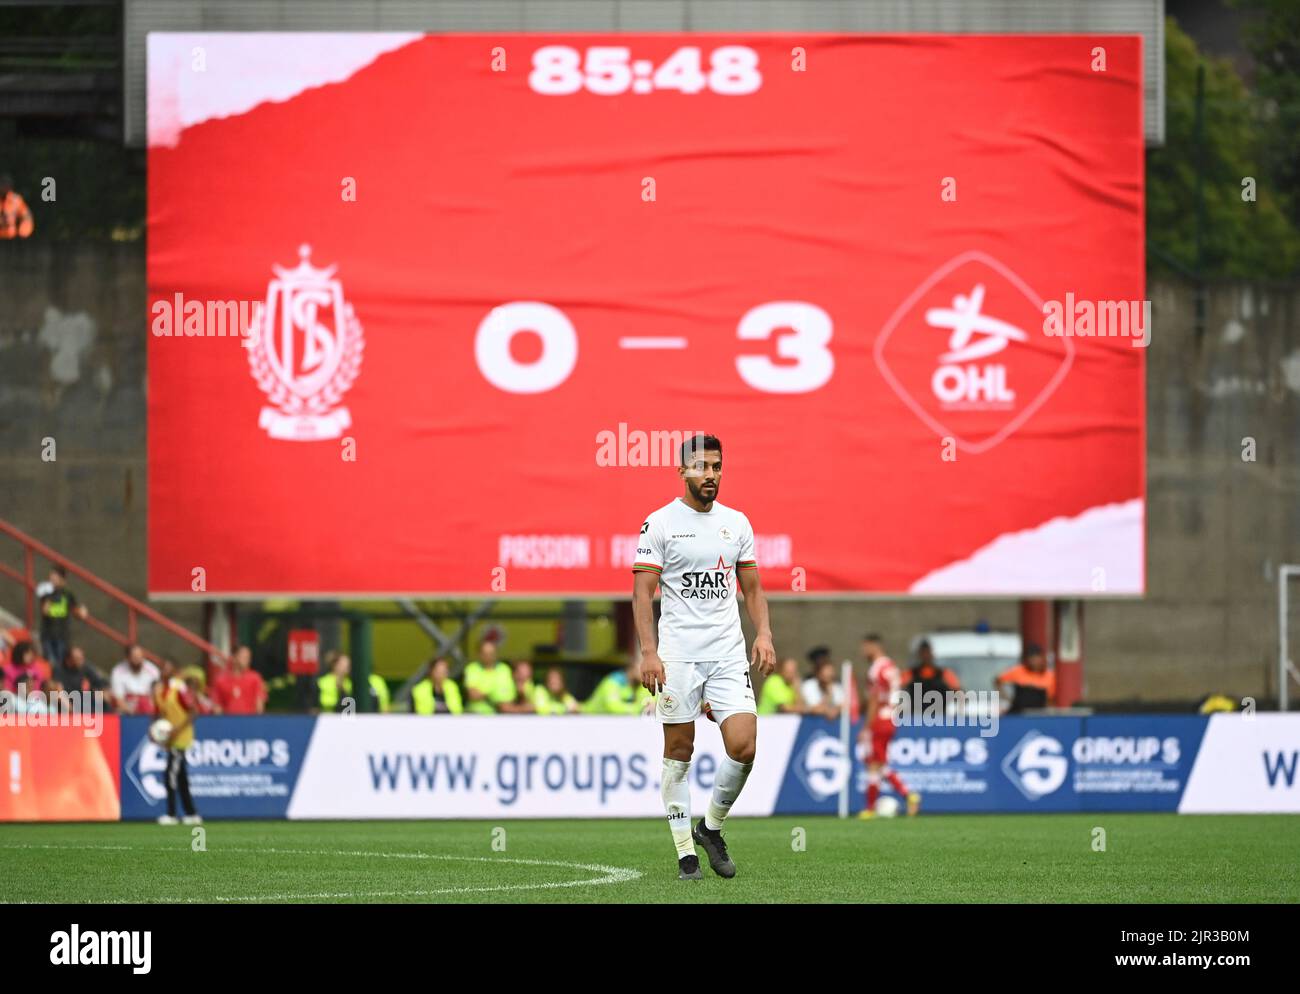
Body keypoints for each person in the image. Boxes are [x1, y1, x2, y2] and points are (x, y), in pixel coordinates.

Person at [634, 433, 775, 882]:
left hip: (728, 655)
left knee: (744, 745)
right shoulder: (659, 523)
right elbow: (642, 593)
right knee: (679, 751)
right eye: (701, 467)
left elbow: (751, 588)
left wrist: (765, 633)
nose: (710, 474)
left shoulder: (737, 523)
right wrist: (649, 652)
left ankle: (710, 828)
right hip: (677, 657)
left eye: (716, 466)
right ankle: (685, 856)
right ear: (682, 470)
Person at [859, 634, 920, 818]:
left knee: (873, 764)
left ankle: (870, 809)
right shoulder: (891, 666)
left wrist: (866, 727)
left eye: (864, 647)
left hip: (880, 718)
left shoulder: (876, 670)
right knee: (879, 763)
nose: (862, 651)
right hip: (892, 717)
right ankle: (908, 795)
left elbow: (874, 699)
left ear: (873, 646)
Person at [152, 659, 201, 826]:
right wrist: (154, 732)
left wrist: (176, 731)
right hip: (170, 739)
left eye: (167, 669)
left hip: (181, 738)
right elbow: (159, 715)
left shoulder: (179, 689)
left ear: (173, 672)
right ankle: (192, 814)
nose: (164, 672)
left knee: (170, 775)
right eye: (162, 668)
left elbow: (193, 712)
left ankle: (171, 814)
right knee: (181, 777)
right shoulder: (159, 692)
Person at [38, 566, 87, 671]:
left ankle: (58, 685)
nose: (52, 580)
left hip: (62, 635)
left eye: (54, 578)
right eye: (50, 578)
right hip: (47, 634)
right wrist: (49, 594)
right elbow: (45, 611)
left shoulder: (68, 594)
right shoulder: (45, 592)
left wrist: (82, 612)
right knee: (49, 663)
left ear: (62, 579)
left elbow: (76, 612)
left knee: (60, 664)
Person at [317, 650, 390, 713]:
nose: (347, 667)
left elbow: (384, 705)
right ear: (334, 665)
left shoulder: (374, 680)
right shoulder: (323, 682)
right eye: (343, 664)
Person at [996, 643, 1056, 713]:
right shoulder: (1018, 671)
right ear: (1027, 660)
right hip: (1019, 712)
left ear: (1042, 659)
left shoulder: (1050, 675)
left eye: (1036, 658)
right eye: (1031, 658)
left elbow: (1050, 699)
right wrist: (1007, 698)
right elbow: (998, 680)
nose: (1034, 661)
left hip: (1039, 713)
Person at [462, 638, 515, 714]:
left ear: (496, 653)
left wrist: (484, 692)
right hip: (477, 714)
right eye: (485, 653)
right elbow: (473, 695)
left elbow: (509, 694)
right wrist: (495, 694)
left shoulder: (504, 669)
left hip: (502, 713)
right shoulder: (472, 668)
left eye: (491, 653)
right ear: (479, 654)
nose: (488, 656)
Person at [52, 645, 114, 709]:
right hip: (71, 704)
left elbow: (99, 682)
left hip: (87, 701)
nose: (82, 661)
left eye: (82, 658)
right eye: (78, 659)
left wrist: (104, 691)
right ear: (69, 660)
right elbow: (58, 691)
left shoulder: (84, 667)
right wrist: (70, 708)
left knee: (105, 705)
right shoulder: (59, 669)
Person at [209, 645, 267, 715]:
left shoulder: (255, 678)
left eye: (248, 658)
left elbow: (259, 704)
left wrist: (258, 723)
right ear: (234, 658)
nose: (247, 660)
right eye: (243, 657)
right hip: (228, 723)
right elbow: (217, 706)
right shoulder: (220, 679)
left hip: (249, 722)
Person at [582, 659, 652, 714]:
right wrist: (639, 709)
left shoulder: (641, 685)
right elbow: (613, 707)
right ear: (632, 667)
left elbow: (649, 701)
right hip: (588, 717)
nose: (646, 672)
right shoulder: (612, 681)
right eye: (642, 667)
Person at [110, 645, 160, 715]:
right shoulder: (118, 671)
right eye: (135, 657)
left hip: (148, 706)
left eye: (140, 657)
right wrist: (132, 712)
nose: (138, 660)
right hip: (127, 707)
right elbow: (119, 698)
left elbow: (156, 696)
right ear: (128, 658)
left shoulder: (153, 670)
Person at [800, 648, 843, 720]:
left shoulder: (837, 687)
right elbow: (812, 708)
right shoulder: (808, 686)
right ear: (818, 674)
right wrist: (827, 707)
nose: (829, 677)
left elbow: (843, 704)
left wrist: (836, 710)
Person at [0, 174, 34, 239]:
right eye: (2, 185)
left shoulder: (16, 200)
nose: (4, 187)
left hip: (12, 239)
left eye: (7, 185)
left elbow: (27, 216)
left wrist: (23, 231)